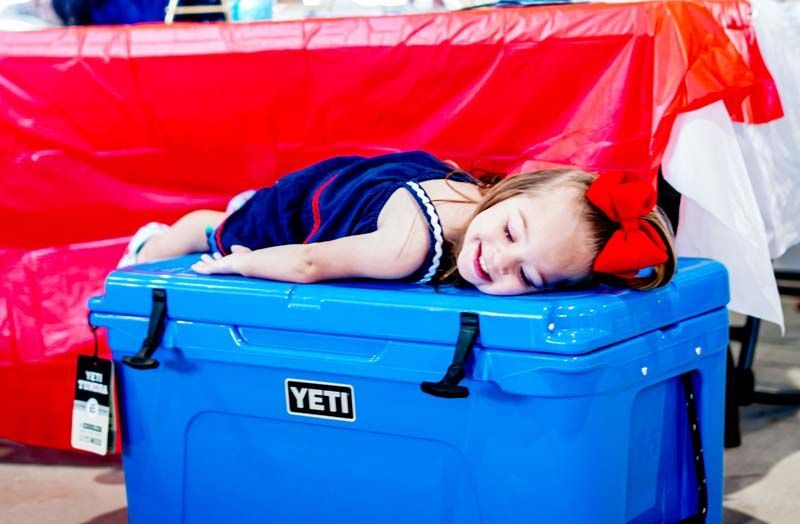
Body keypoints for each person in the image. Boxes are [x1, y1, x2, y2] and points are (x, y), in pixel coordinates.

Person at [120, 151, 676, 295]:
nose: (498, 262)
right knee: (214, 229)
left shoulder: (479, 201)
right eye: (510, 234)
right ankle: (146, 250)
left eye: (528, 278)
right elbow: (311, 262)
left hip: (365, 184)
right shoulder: (411, 247)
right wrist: (240, 264)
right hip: (303, 211)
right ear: (513, 189)